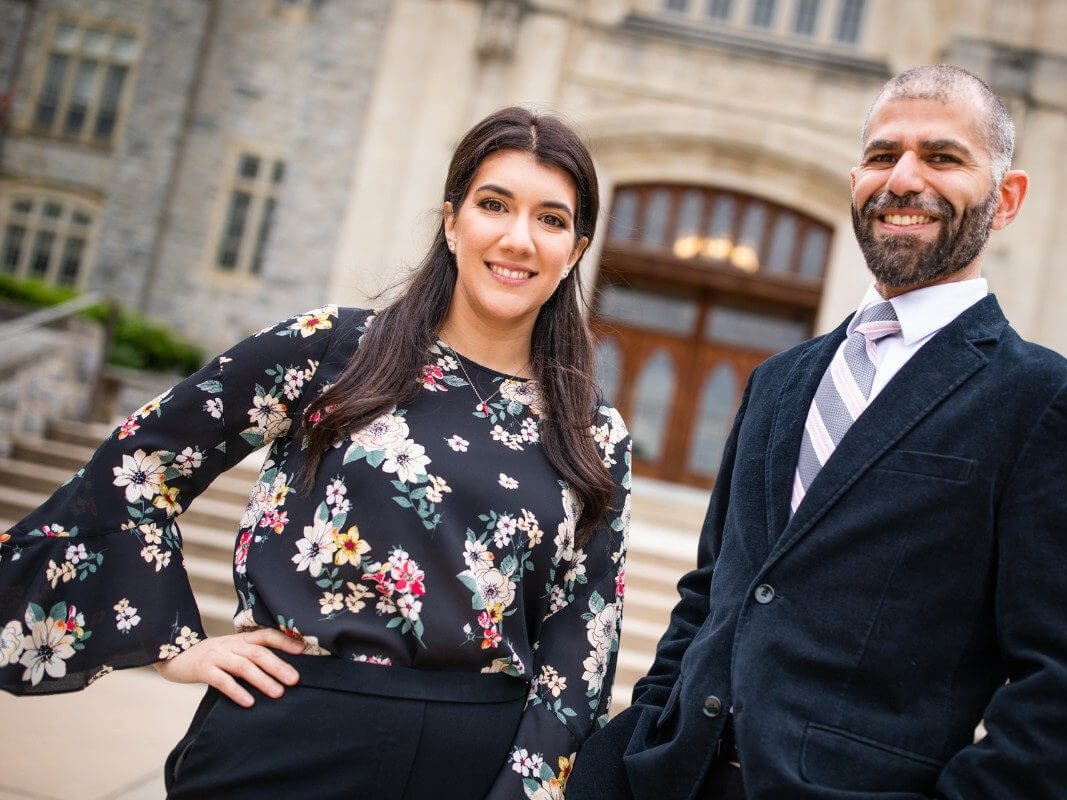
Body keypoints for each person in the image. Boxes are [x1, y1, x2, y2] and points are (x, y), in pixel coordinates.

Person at [0, 106, 632, 800]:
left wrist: (526, 792)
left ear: (574, 249)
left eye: (550, 218)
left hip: (472, 765)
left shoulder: (592, 432)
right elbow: (139, 465)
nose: (518, 238)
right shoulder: (330, 350)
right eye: (494, 204)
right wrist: (175, 645)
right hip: (289, 734)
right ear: (451, 222)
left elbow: (582, 644)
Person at [569, 64, 1067, 800]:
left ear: (1008, 198)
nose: (903, 179)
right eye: (881, 155)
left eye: (942, 156)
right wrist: (645, 735)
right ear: (856, 180)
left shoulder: (1049, 405)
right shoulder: (777, 383)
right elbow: (713, 594)